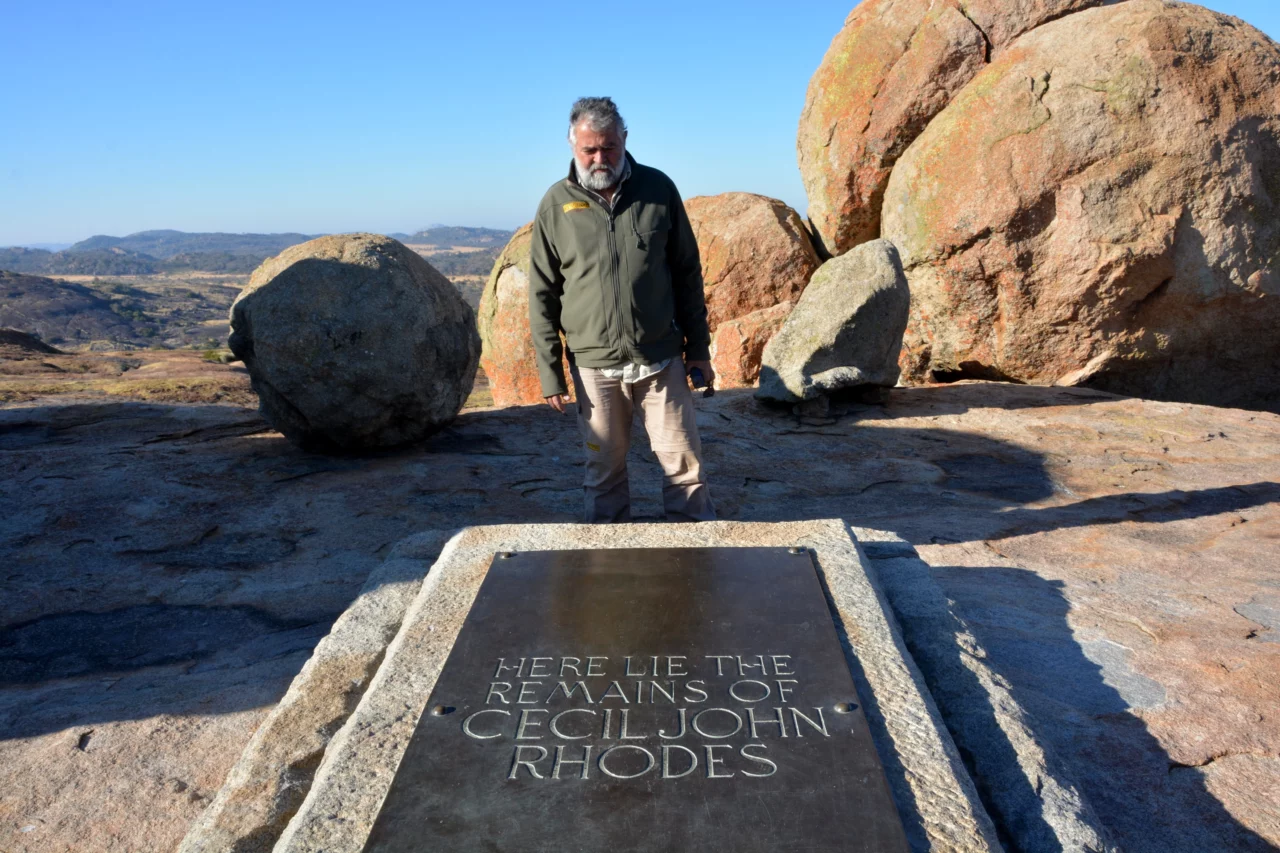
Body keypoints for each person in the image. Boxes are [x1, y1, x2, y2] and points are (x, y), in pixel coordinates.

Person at [528, 96, 716, 523]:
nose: (599, 158)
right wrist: (549, 371)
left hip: (660, 358)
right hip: (594, 366)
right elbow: (542, 293)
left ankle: (699, 561)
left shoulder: (658, 189)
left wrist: (699, 349)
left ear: (624, 139)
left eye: (609, 147)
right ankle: (605, 569)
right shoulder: (555, 204)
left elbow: (688, 274)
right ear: (571, 145)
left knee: (685, 469)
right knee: (604, 475)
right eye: (589, 149)